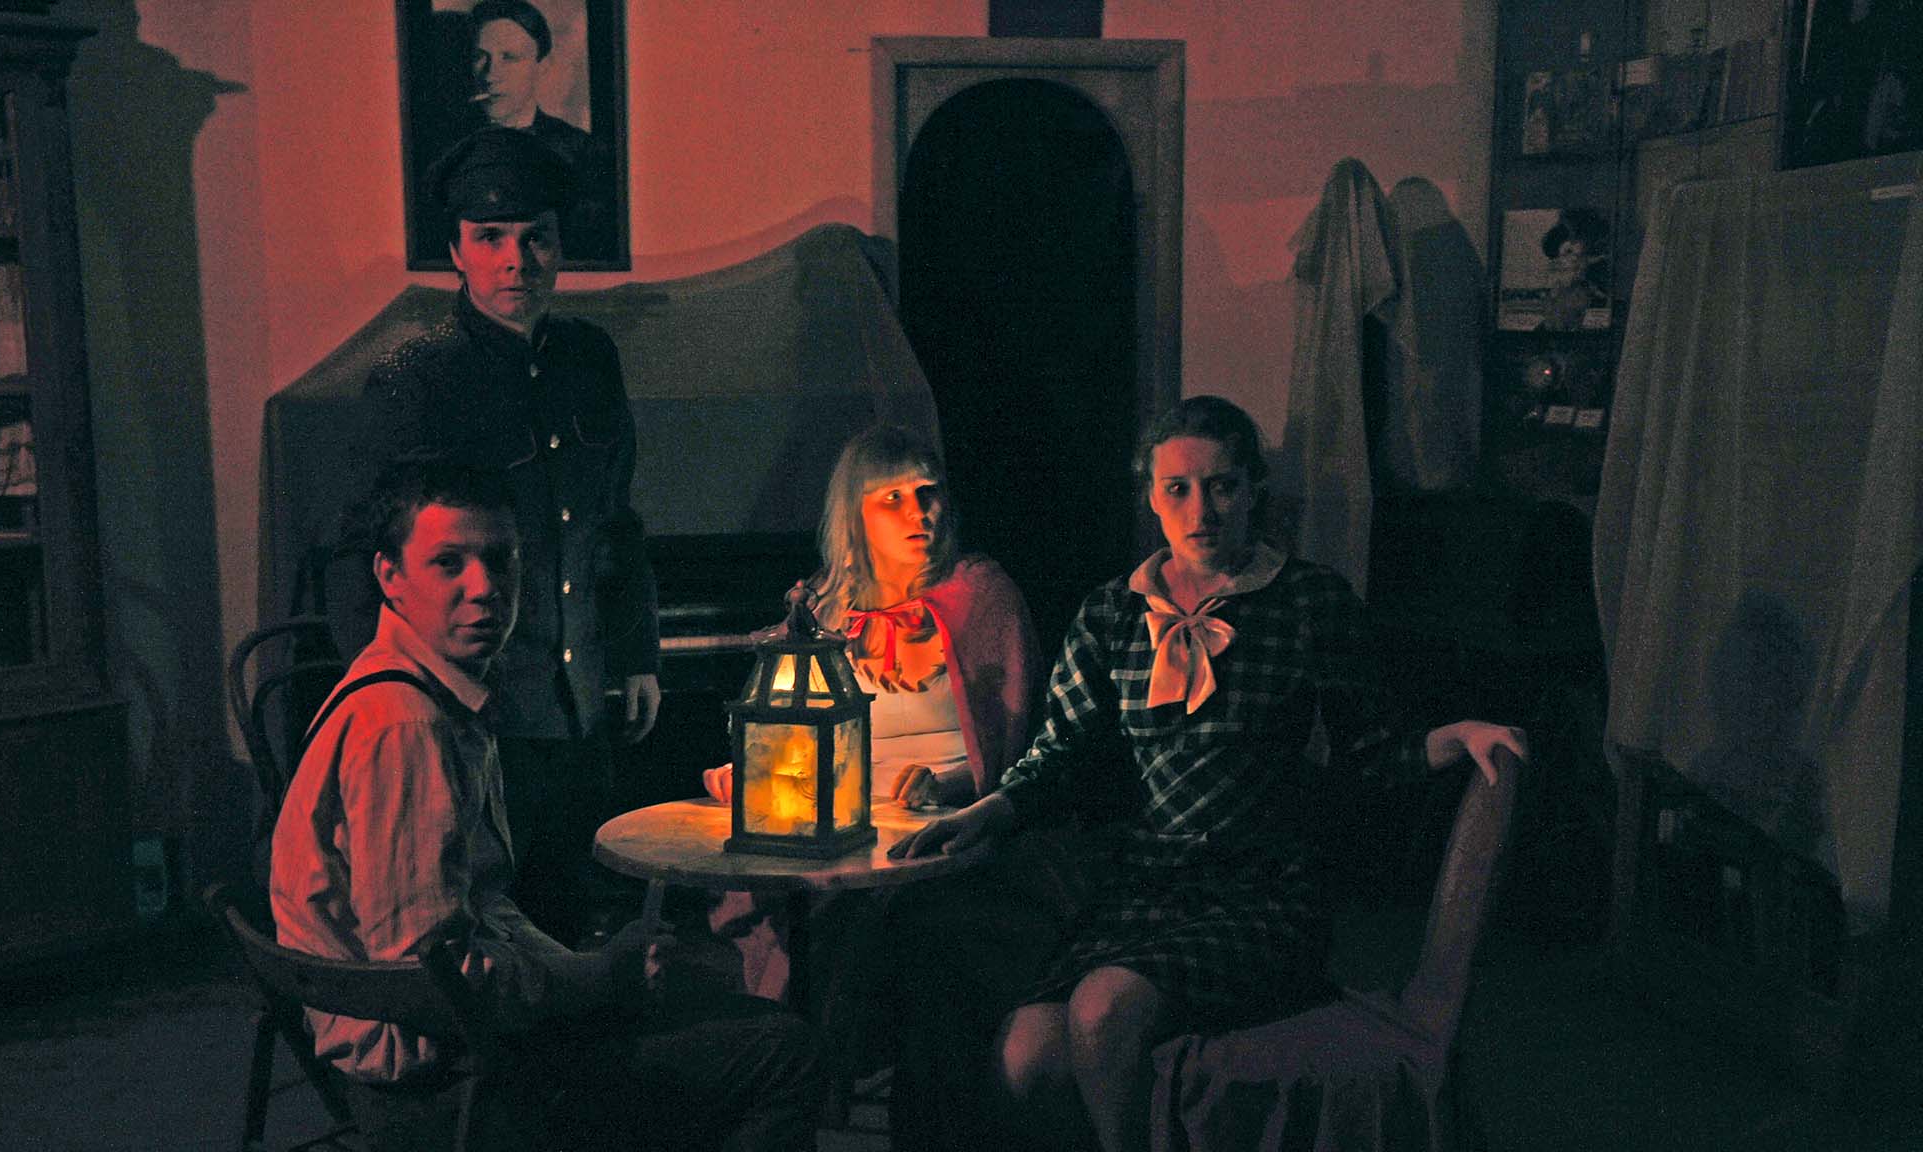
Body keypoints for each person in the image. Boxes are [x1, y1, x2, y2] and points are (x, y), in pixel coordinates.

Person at [891, 397, 1528, 1152]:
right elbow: (1059, 756)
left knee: (1103, 1011)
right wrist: (982, 812)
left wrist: (1451, 737)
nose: (1202, 510)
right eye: (1179, 489)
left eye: (1222, 485)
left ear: (1253, 490)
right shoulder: (1111, 615)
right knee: (1025, 1058)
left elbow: (1369, 751)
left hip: (1261, 891)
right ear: (1151, 498)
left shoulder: (1308, 602)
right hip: (1143, 892)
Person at [271, 462, 820, 1150]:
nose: (484, 588)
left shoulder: (424, 689)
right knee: (782, 1051)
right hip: (444, 1091)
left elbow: (480, 908)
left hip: (450, 1055)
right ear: (389, 576)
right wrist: (595, 978)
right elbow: (433, 979)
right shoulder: (407, 725)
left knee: (698, 1003)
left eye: (500, 560)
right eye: (448, 563)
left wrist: (589, 970)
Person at [701, 424, 1074, 1150]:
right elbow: (789, 734)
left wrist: (949, 784)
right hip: (850, 847)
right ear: (856, 516)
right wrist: (752, 773)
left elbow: (1020, 748)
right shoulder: (822, 612)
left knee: (926, 944)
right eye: (892, 499)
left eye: (928, 493)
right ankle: (806, 1101)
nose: (919, 513)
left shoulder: (982, 596)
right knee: (828, 933)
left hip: (962, 846)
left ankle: (922, 1123)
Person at [359, 126, 657, 946]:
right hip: (479, 709)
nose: (516, 262)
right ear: (456, 251)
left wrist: (636, 653)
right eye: (490, 238)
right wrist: (410, 706)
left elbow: (616, 520)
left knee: (578, 914)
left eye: (536, 238)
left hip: (577, 699)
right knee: (491, 924)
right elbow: (377, 556)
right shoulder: (417, 375)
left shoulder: (589, 360)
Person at [465, 0, 619, 262]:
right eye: (480, 56)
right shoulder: (448, 152)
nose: (490, 75)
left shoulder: (584, 152)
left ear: (542, 66)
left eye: (509, 58)